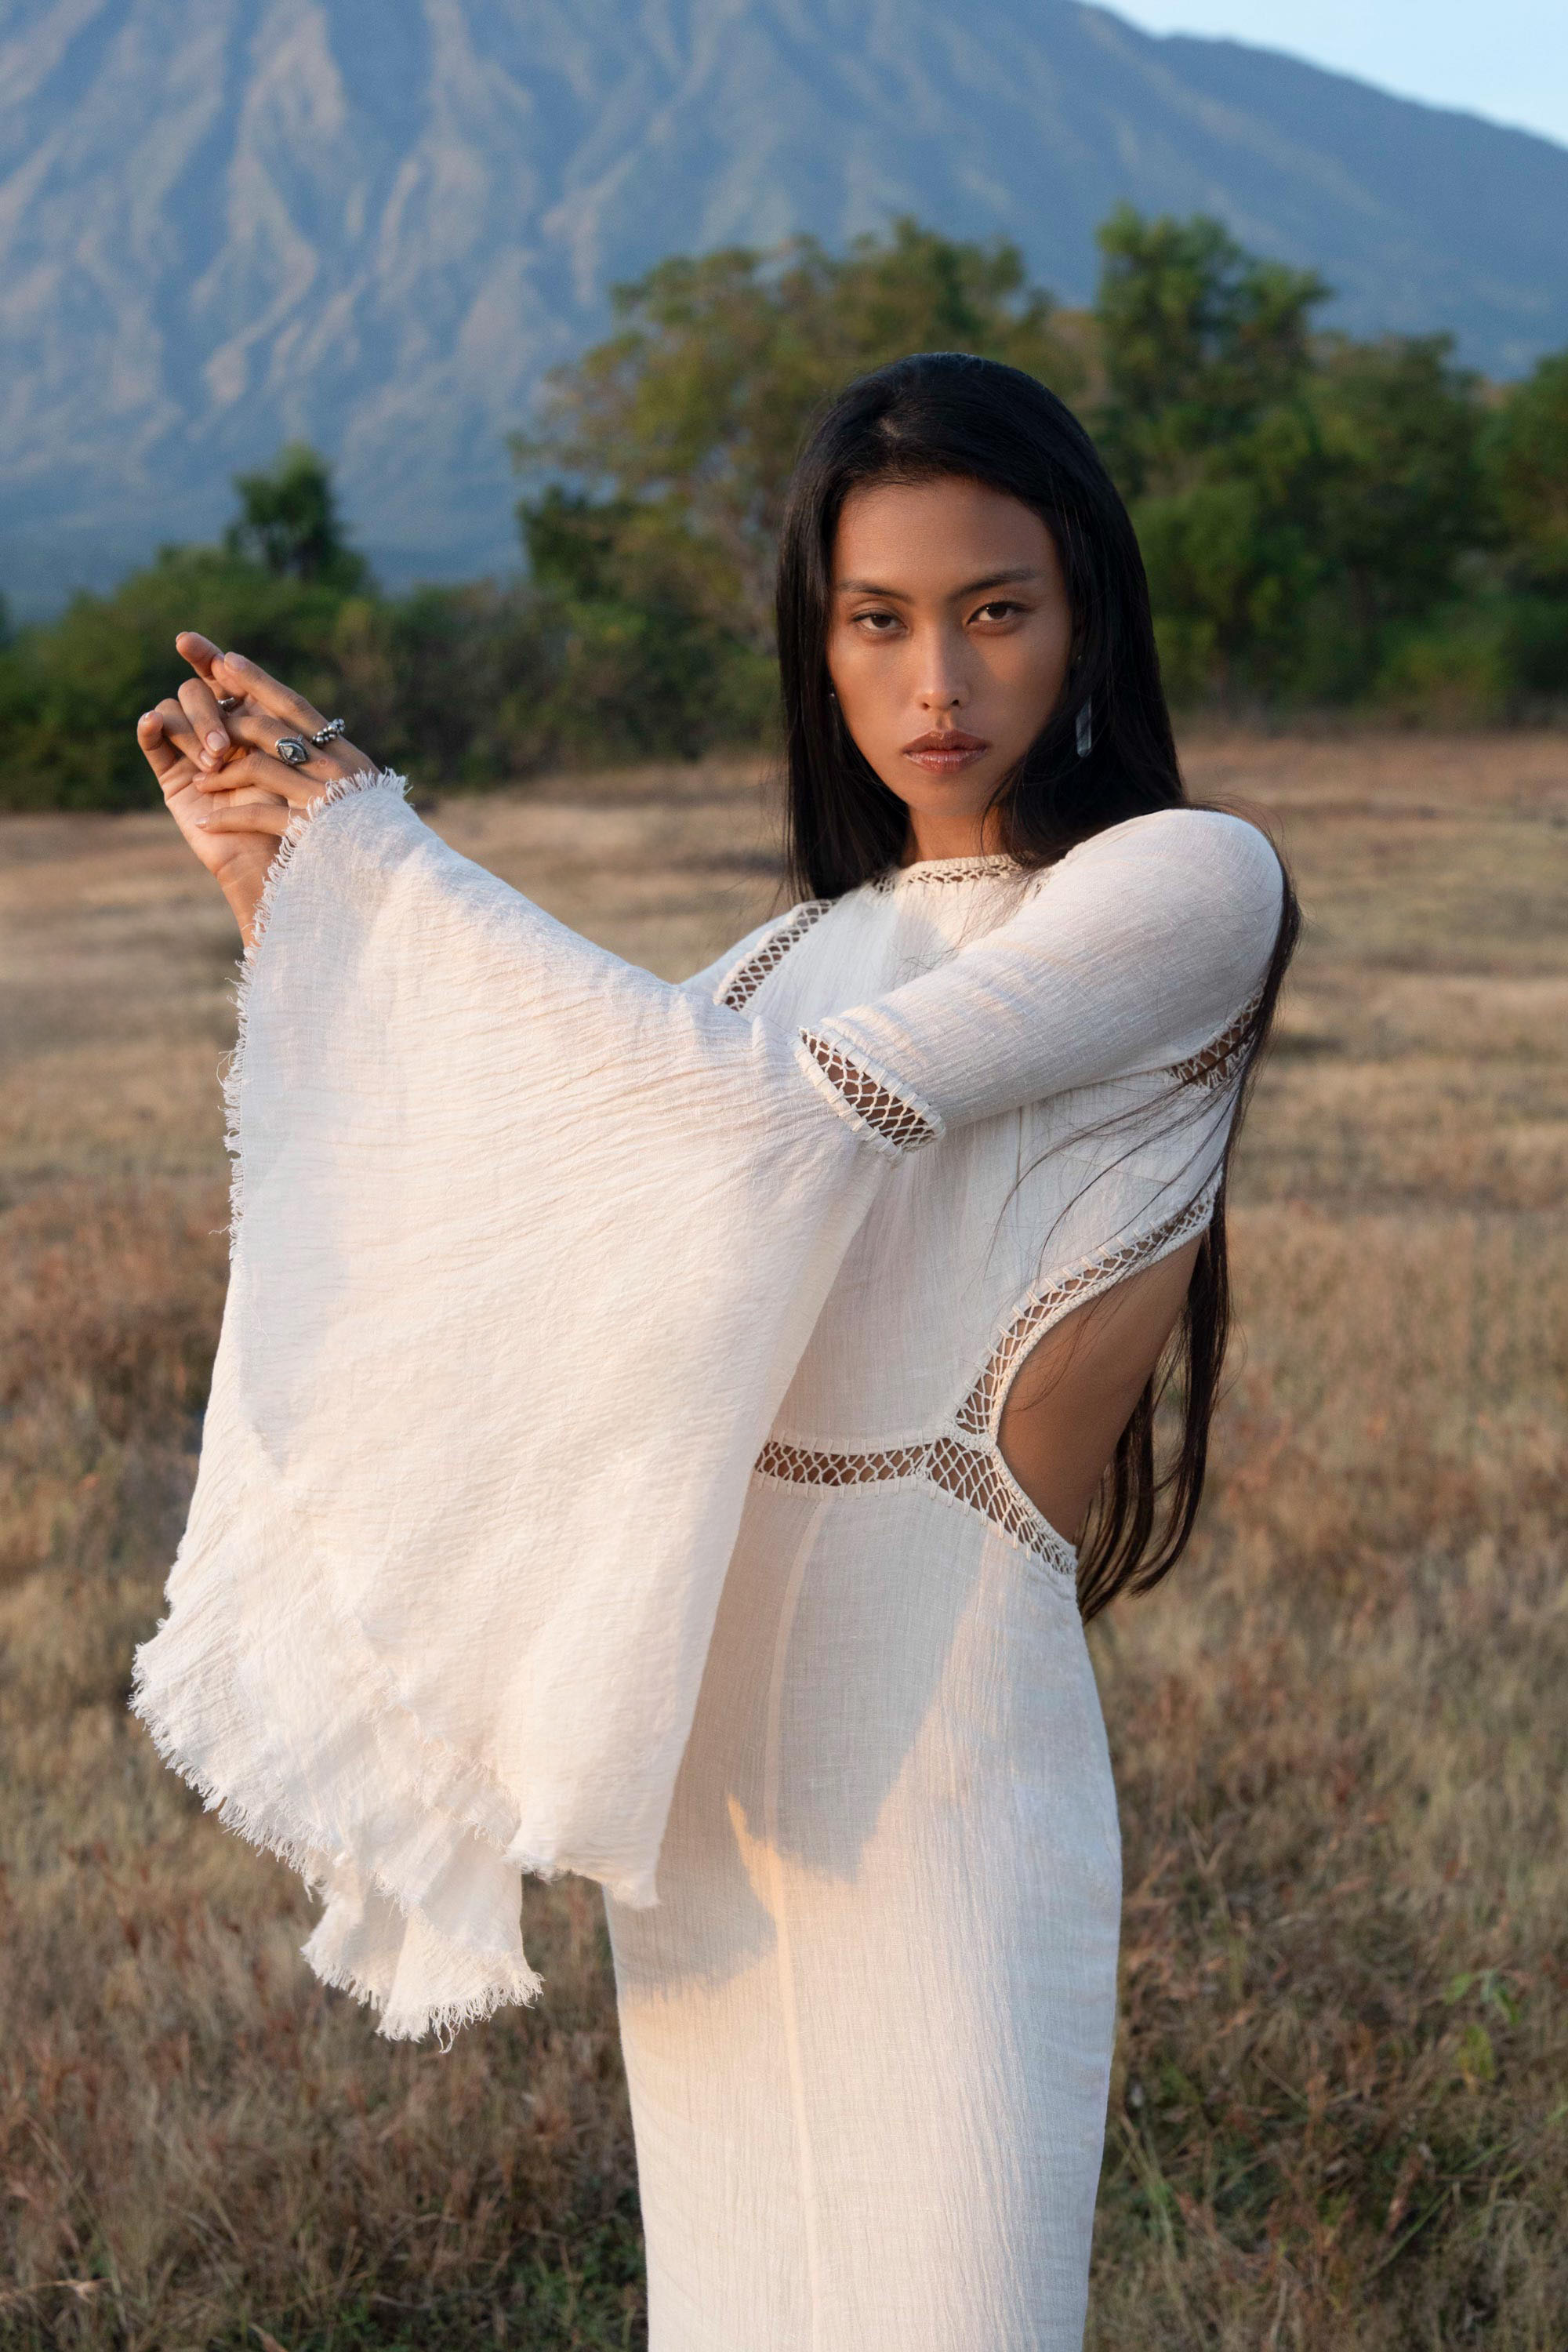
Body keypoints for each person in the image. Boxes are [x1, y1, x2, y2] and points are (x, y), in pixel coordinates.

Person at [131, 354, 1297, 2351]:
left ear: (1086, 616)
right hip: (709, 1773)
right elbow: (551, 1192)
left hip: (930, 1756)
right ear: (819, 652)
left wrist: (390, 862)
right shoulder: (778, 958)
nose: (939, 677)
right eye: (878, 621)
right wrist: (299, 905)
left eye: (995, 608)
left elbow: (754, 1116)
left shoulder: (1184, 882)